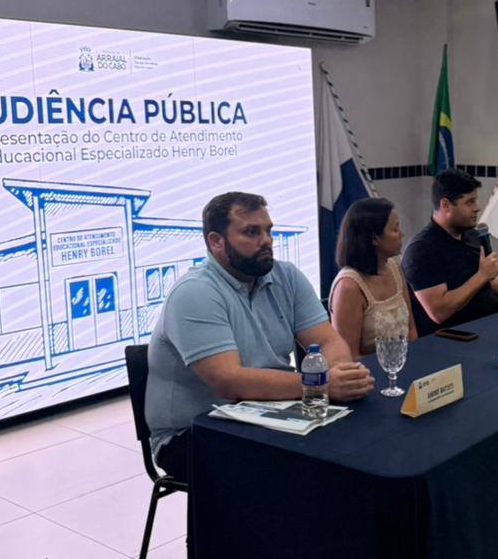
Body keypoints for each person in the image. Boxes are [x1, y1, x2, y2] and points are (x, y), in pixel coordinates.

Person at [145, 190, 373, 480]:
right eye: (251, 232)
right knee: (306, 469)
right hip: (193, 432)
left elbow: (328, 340)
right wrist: (322, 385)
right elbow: (230, 382)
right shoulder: (194, 292)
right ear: (216, 241)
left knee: (357, 441)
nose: (266, 240)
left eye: (268, 230)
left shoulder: (286, 276)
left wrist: (340, 374)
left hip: (269, 410)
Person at [402, 168, 498, 337]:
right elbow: (439, 312)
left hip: (491, 326)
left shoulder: (472, 235)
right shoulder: (422, 249)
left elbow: (488, 285)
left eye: (476, 200)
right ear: (445, 205)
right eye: (469, 202)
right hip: (456, 338)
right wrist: (481, 276)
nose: (477, 208)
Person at [328, 197, 418, 355]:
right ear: (374, 238)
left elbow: (411, 330)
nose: (401, 234)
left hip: (403, 363)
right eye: (395, 230)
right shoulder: (348, 287)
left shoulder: (394, 267)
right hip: (367, 369)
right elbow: (349, 355)